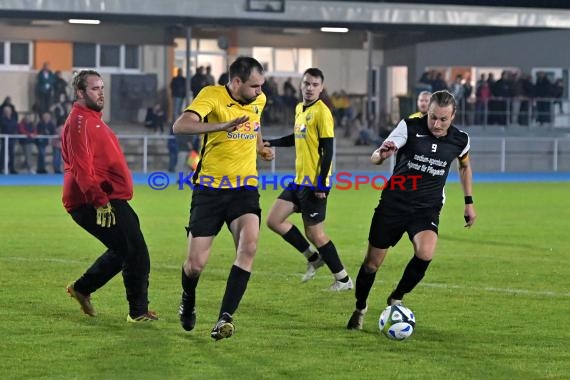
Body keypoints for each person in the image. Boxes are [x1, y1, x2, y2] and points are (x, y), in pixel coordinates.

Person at [347, 90, 477, 330]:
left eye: (443, 119)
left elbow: (464, 166)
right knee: (371, 264)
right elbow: (378, 155)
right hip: (394, 204)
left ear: (453, 116)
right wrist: (381, 154)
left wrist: (469, 201)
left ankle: (397, 297)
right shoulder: (409, 126)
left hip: (426, 208)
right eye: (433, 117)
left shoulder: (461, 140)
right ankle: (360, 307)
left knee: (426, 252)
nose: (436, 124)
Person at [172, 56, 274, 340]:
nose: (259, 91)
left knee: (249, 245)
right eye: (254, 86)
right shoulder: (211, 95)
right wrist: (221, 126)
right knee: (194, 265)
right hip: (210, 190)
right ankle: (188, 299)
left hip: (244, 189)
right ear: (236, 81)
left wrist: (261, 148)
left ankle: (224, 318)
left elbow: (254, 127)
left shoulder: (259, 99)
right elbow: (180, 126)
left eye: (261, 86)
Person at [62, 69, 157, 323]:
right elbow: (81, 169)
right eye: (95, 88)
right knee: (135, 251)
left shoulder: (92, 119)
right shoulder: (79, 122)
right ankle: (137, 312)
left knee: (126, 249)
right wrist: (100, 202)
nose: (101, 92)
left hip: (109, 197)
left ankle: (82, 288)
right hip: (94, 200)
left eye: (102, 88)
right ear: (80, 92)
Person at [264, 68, 353, 290]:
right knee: (274, 220)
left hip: (315, 182)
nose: (310, 88)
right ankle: (314, 259)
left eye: (314, 85)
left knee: (315, 233)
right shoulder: (299, 109)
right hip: (299, 180)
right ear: (301, 85)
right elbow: (295, 138)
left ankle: (343, 279)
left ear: (321, 88)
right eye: (306, 83)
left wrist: (322, 183)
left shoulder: (323, 112)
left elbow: (328, 150)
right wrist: (270, 142)